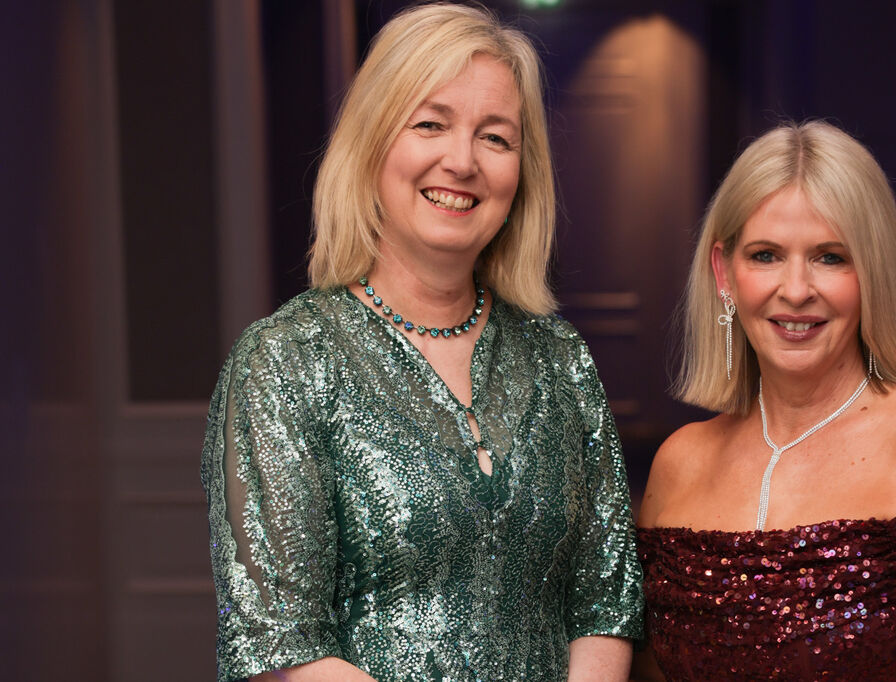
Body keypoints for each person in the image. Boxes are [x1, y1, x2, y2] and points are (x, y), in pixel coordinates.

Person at [200, 4, 642, 681]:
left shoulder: (560, 360)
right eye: (430, 124)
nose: (461, 161)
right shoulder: (286, 361)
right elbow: (278, 644)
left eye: (495, 138)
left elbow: (605, 601)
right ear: (373, 144)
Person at [635, 121, 896, 681]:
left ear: (874, 270)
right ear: (724, 272)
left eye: (830, 257)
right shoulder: (680, 463)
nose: (795, 289)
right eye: (765, 255)